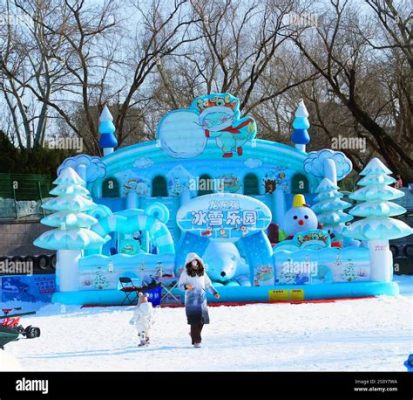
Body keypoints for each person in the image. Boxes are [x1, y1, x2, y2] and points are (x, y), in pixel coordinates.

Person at [178, 252, 220, 348]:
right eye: (192, 261)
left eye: (196, 260)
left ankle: (193, 334)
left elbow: (208, 284)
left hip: (202, 299)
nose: (194, 262)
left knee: (202, 321)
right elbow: (180, 285)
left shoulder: (202, 272)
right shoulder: (185, 273)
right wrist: (186, 286)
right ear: (188, 262)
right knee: (194, 321)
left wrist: (214, 292)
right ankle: (197, 340)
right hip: (191, 300)